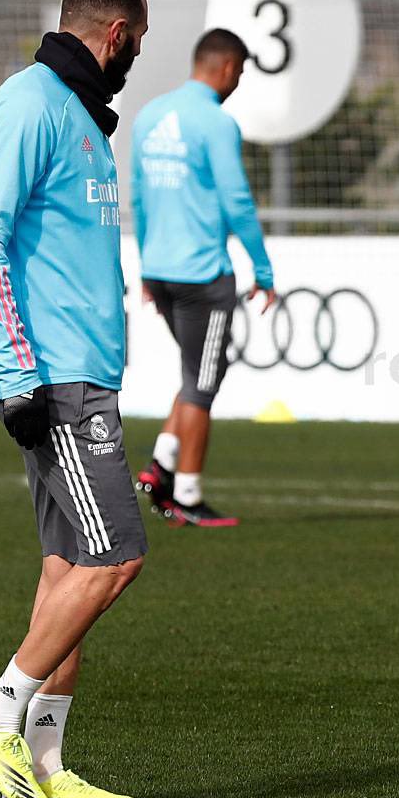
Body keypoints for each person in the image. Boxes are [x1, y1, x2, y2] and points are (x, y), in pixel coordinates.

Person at [0, 0, 151, 798]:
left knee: (66, 567)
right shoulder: (31, 102)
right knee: (118, 557)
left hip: (84, 372)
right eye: (138, 42)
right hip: (55, 380)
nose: (137, 55)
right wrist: (14, 372)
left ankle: (46, 759)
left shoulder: (77, 114)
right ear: (116, 35)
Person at [131, 28, 277, 527]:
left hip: (163, 272)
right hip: (203, 276)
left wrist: (147, 265)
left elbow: (139, 196)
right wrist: (262, 268)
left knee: (195, 372)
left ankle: (160, 465)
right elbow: (237, 200)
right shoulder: (216, 122)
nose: (238, 80)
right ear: (226, 68)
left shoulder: (149, 116)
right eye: (240, 70)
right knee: (203, 384)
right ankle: (186, 497)